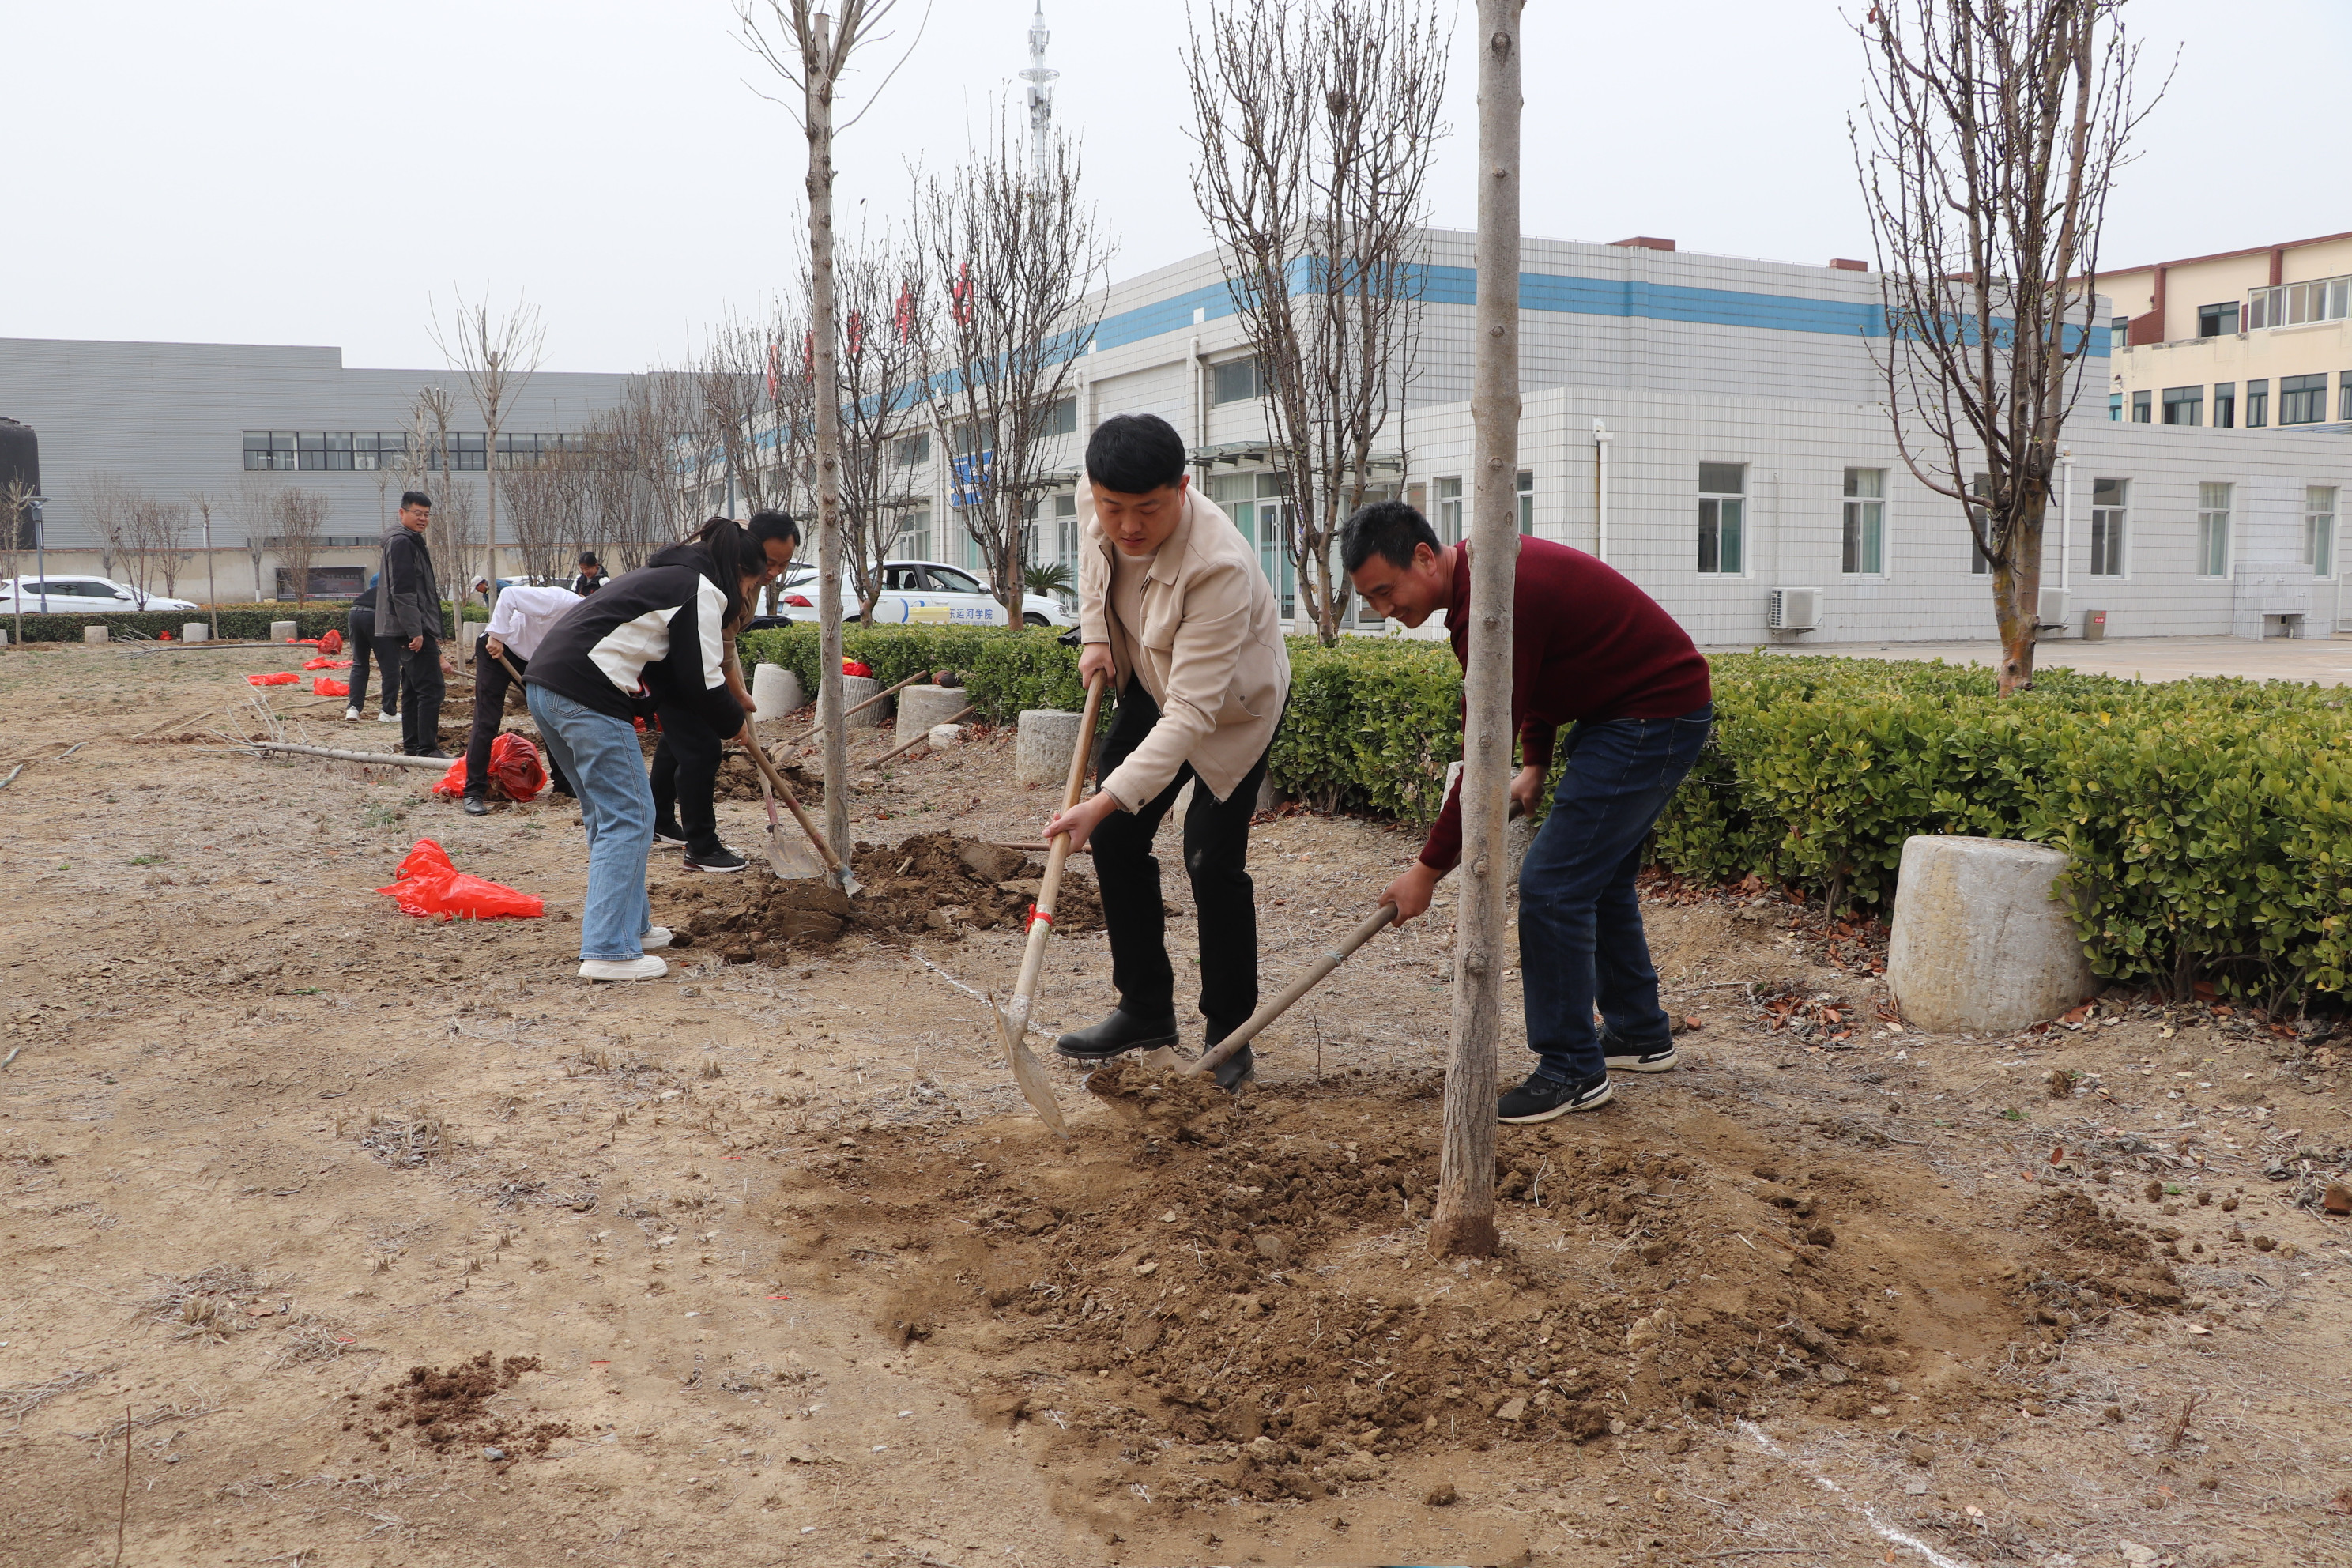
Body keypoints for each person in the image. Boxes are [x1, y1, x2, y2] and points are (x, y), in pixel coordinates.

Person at [1344, 501, 1714, 1123]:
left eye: (1386, 591)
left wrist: (1426, 871)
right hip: (1627, 712)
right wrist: (1536, 764)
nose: (1384, 609)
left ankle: (1571, 1069)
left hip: (1651, 715)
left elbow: (1481, 755)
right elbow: (1534, 681)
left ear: (1425, 557)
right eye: (1369, 600)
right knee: (1596, 878)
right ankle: (1638, 1032)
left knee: (1553, 885)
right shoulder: (1487, 584)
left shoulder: (1497, 600)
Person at [1042, 413, 1290, 1091]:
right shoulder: (1100, 506)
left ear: (1182, 488)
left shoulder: (1218, 566)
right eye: (1112, 507)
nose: (1128, 526)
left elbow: (1193, 715)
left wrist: (1102, 801)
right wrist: (1096, 636)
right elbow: (1094, 562)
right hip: (1152, 680)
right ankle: (1145, 1008)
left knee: (1210, 859)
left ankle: (1229, 1034)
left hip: (1229, 707)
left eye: (1147, 510)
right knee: (1117, 838)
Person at [523, 516, 795, 982]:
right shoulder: (700, 589)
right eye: (751, 582)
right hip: (586, 692)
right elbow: (701, 679)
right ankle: (609, 949)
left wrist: (729, 710)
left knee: (609, 816)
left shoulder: (670, 576)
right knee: (630, 817)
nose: (749, 592)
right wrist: (732, 723)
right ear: (737, 570)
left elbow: (676, 671)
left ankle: (632, 926)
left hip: (547, 687)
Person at [650, 510, 800, 872]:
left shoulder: (745, 572)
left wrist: (735, 692)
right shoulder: (719, 576)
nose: (774, 572)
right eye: (770, 562)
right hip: (676, 662)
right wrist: (736, 698)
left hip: (685, 661)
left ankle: (659, 821)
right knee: (701, 749)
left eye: (784, 564)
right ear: (749, 549)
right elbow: (722, 645)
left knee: (677, 740)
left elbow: (725, 641)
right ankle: (702, 848)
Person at [461, 583, 582, 815]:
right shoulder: (560, 601)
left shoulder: (591, 628)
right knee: (487, 719)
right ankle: (473, 791)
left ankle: (564, 785)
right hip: (497, 649)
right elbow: (509, 594)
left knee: (552, 714)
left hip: (534, 660)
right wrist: (497, 636)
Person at [377, 491, 451, 758]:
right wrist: (416, 631)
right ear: (402, 513)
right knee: (432, 689)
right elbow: (403, 591)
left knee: (412, 688)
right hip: (411, 629)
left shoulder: (409, 540)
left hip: (409, 627)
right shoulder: (402, 542)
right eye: (417, 513)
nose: (423, 519)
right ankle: (427, 748)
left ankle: (413, 745)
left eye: (427, 514)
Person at [343, 571, 398, 725]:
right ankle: (388, 712)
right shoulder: (392, 590)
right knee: (390, 667)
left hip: (355, 613)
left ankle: (353, 709)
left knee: (359, 663)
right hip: (377, 615)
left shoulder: (368, 593)